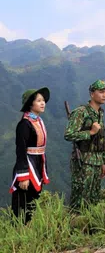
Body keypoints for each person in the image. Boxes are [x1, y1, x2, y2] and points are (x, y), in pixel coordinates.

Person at [64, 79, 105, 210]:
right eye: (101, 92)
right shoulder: (81, 112)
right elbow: (69, 134)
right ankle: (74, 225)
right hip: (83, 161)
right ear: (92, 94)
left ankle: (90, 226)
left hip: (96, 161)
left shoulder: (100, 113)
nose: (104, 95)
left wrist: (103, 162)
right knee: (80, 197)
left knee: (94, 197)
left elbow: (101, 140)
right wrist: (90, 132)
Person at [9, 87, 51, 223]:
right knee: (22, 202)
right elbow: (21, 150)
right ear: (30, 104)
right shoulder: (24, 124)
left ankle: (31, 229)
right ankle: (18, 234)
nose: (42, 103)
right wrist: (23, 175)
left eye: (43, 100)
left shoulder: (38, 121)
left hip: (37, 164)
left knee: (33, 200)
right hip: (27, 165)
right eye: (39, 100)